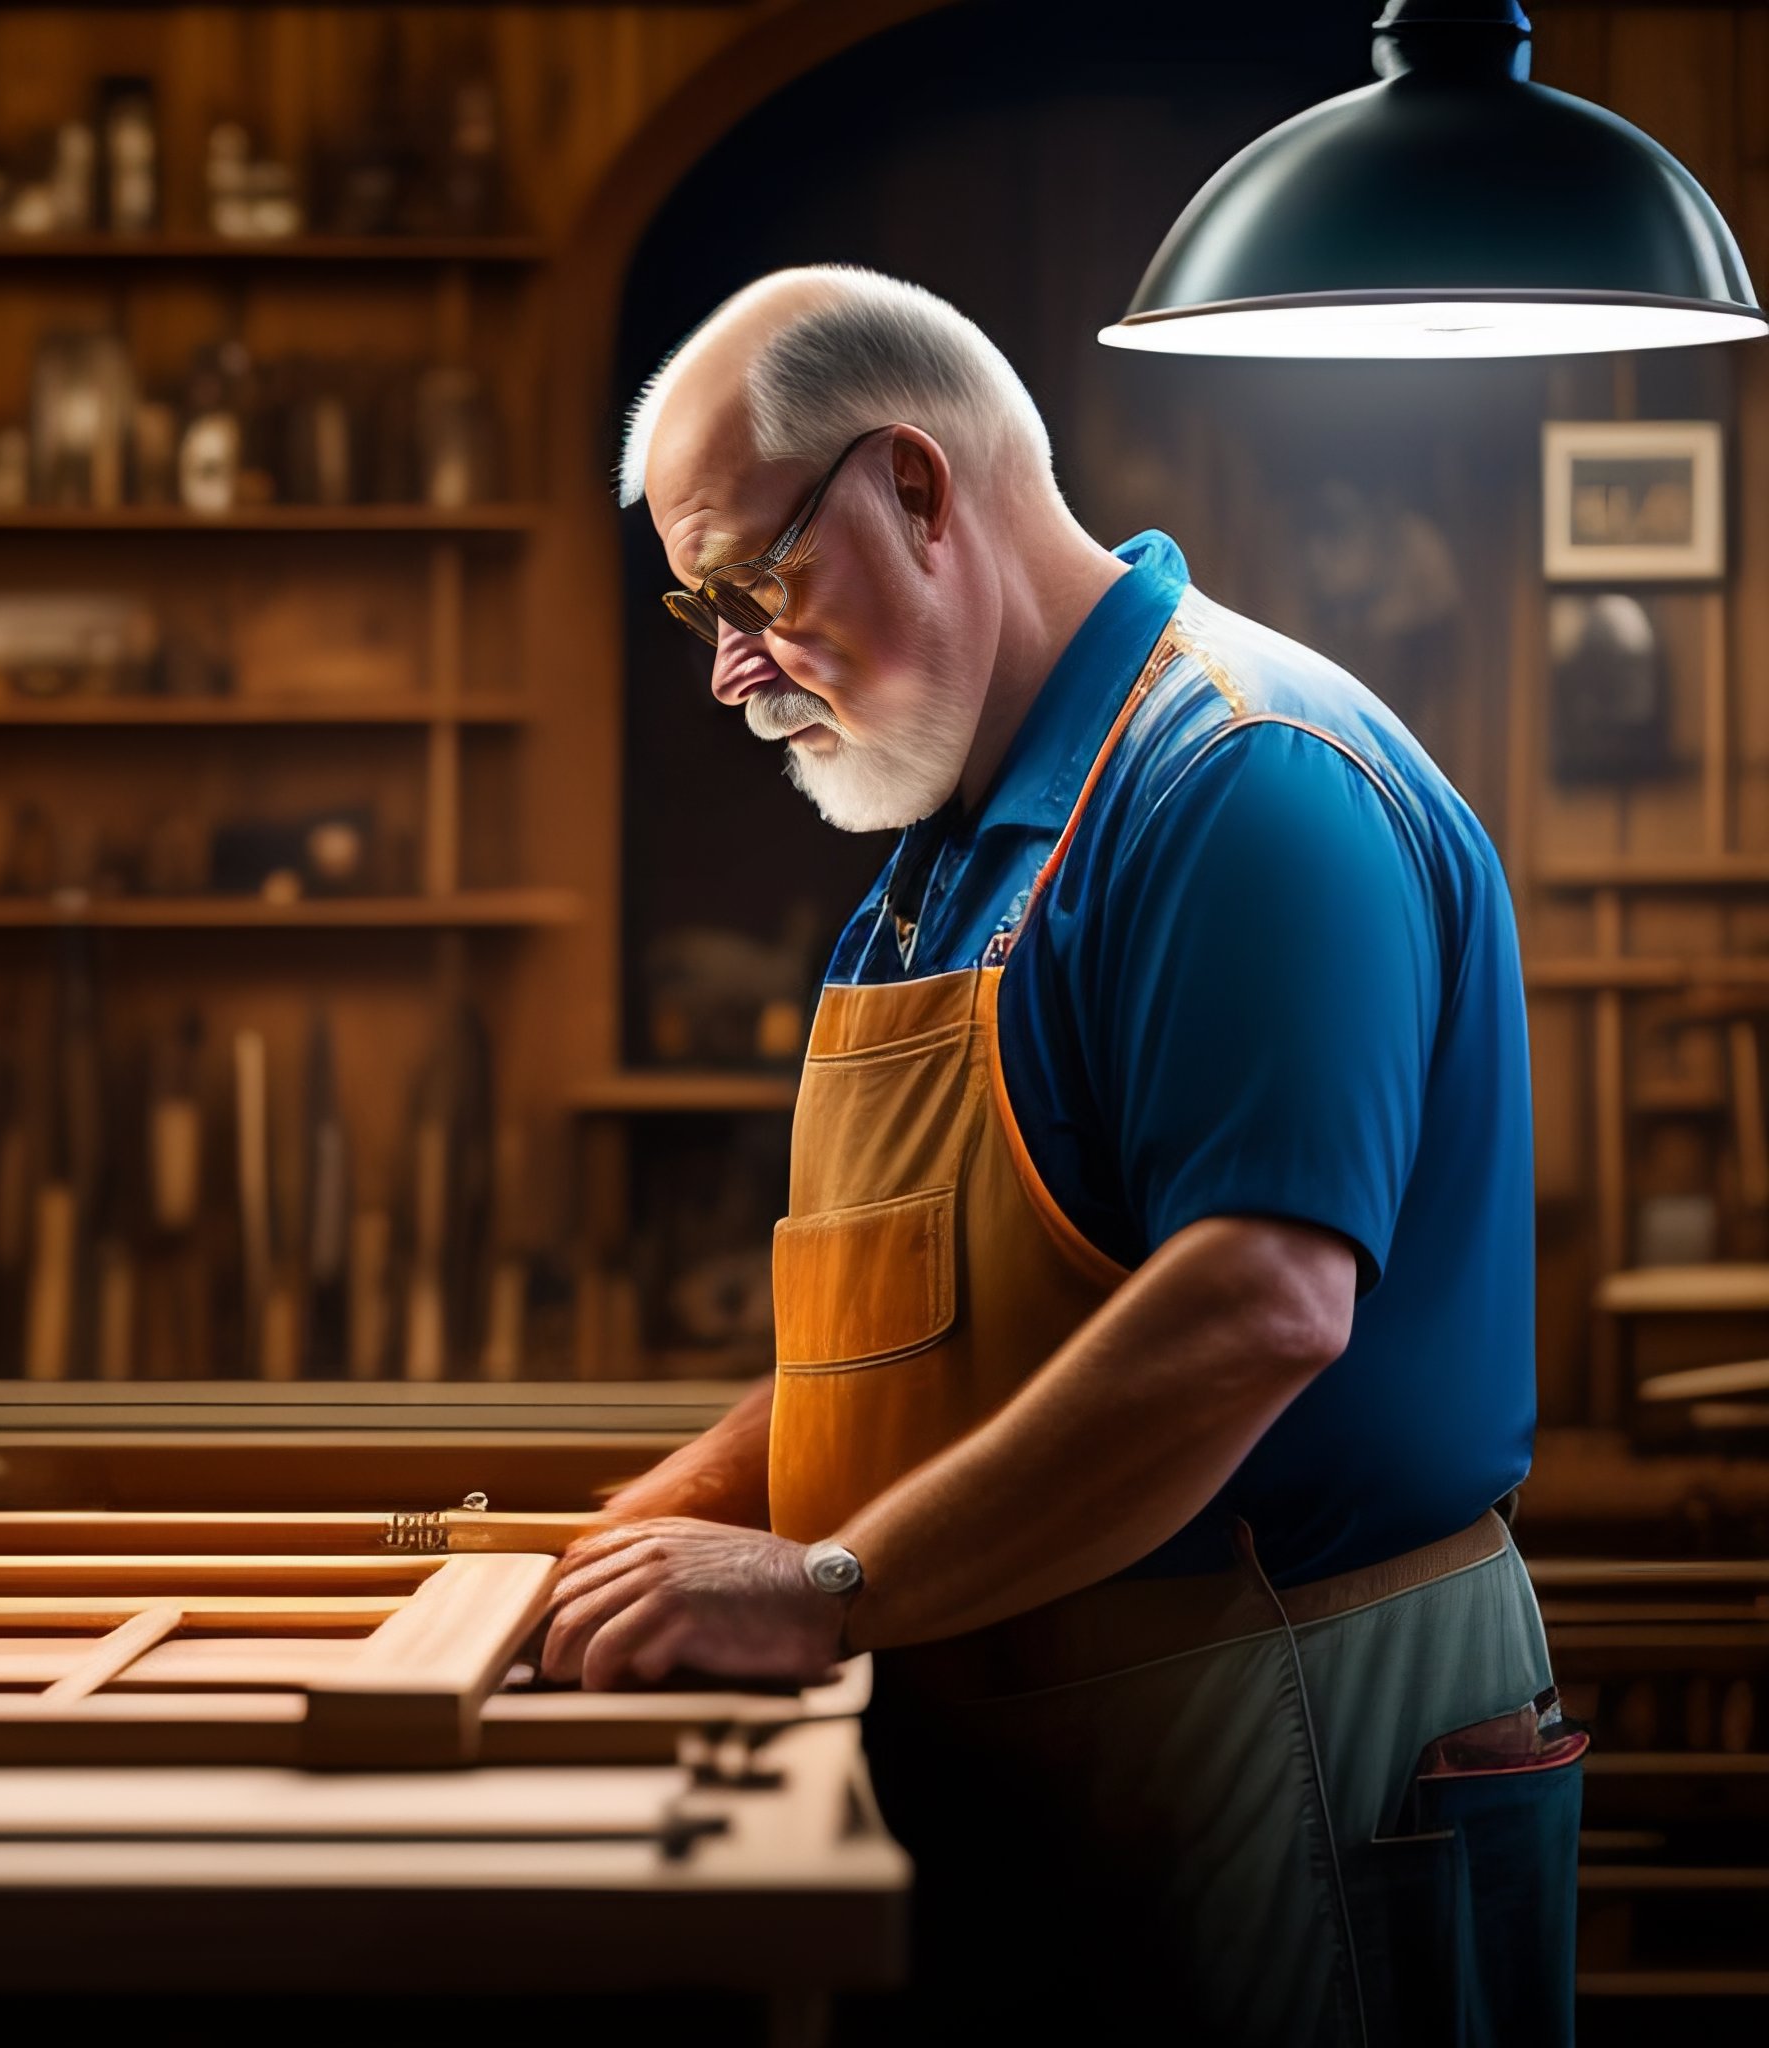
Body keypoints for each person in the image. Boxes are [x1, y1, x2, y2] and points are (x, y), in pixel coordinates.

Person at [554, 266, 1576, 2046]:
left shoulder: (1243, 780)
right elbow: (915, 1349)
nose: (727, 669)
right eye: (693, 602)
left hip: (1287, 1706)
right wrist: (626, 1544)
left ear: (919, 488)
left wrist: (824, 1587)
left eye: (752, 584)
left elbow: (1257, 1310)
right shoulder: (960, 835)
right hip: (1052, 1719)